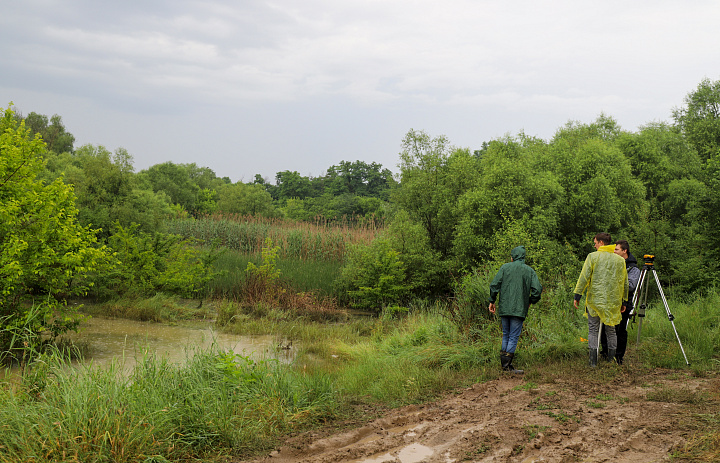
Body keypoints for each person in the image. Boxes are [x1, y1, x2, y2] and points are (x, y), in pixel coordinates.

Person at [573, 233, 628, 367]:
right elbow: (624, 283)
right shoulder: (620, 260)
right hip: (612, 302)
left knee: (593, 330)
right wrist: (624, 301)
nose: (595, 245)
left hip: (594, 301)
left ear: (602, 243)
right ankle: (611, 360)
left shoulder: (592, 257)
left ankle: (593, 362)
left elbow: (584, 277)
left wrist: (577, 295)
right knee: (611, 330)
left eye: (596, 242)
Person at [489, 246, 543, 374]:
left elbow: (494, 285)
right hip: (519, 309)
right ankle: (507, 367)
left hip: (504, 307)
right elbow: (537, 290)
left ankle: (504, 365)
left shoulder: (505, 268)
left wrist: (492, 301)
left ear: (512, 257)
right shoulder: (529, 271)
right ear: (523, 257)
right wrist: (530, 301)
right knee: (513, 336)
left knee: (506, 334)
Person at [599, 240, 641, 364]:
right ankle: (605, 353)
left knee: (620, 330)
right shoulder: (612, 264)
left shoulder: (633, 269)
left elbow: (631, 286)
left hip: (624, 303)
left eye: (616, 249)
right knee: (605, 328)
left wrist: (615, 280)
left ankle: (618, 357)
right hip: (609, 302)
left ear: (624, 251)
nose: (614, 251)